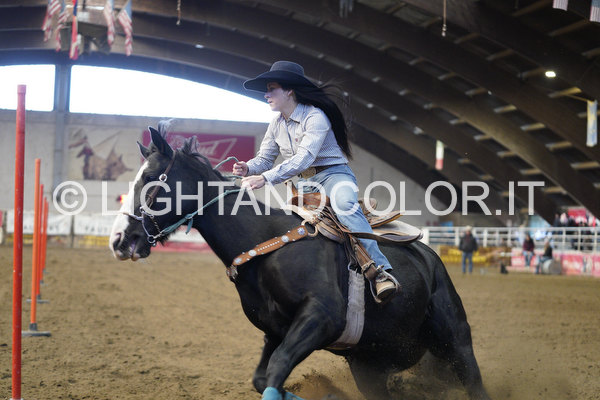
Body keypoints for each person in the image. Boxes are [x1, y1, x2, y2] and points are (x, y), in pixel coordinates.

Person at [232, 60, 398, 302]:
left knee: (345, 207)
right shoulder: (276, 123)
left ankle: (380, 271)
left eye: (272, 88)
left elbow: (303, 159)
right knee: (285, 226)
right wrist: (248, 167)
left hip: (334, 175)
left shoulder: (315, 116)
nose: (266, 94)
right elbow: (265, 158)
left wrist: (264, 178)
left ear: (289, 90)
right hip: (303, 185)